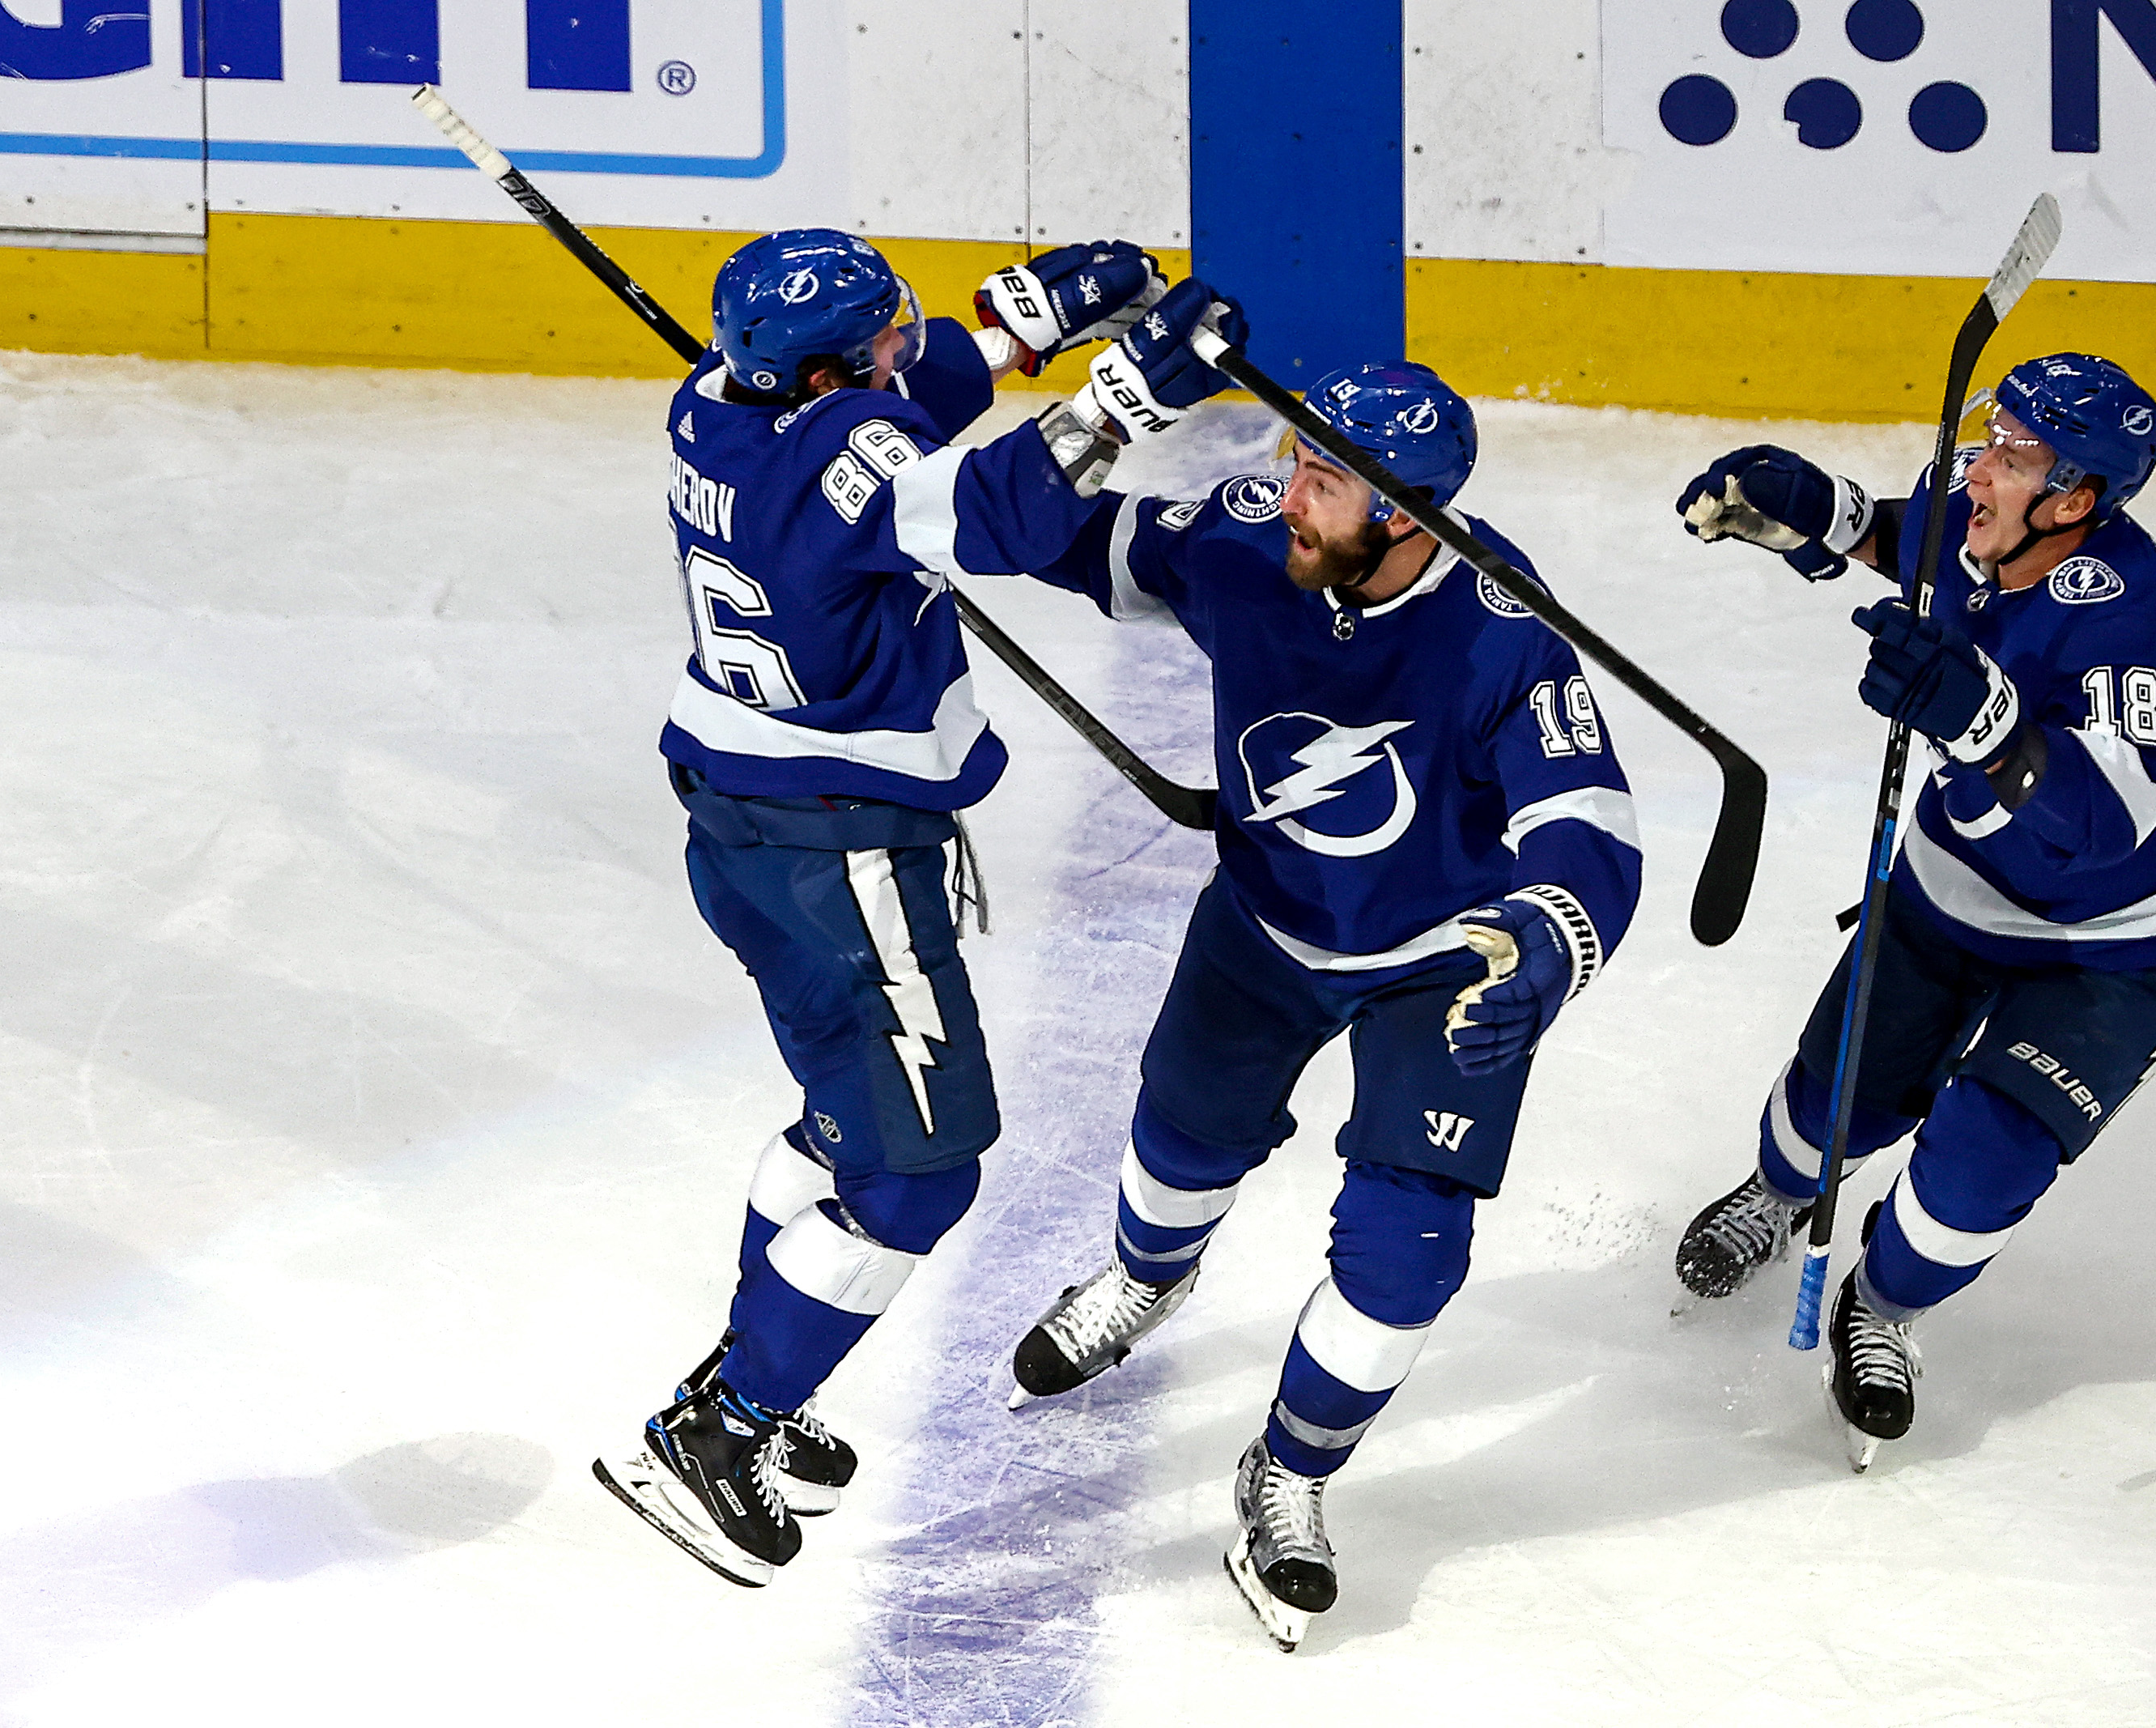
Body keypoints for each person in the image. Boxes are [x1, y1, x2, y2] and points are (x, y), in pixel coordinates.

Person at [593, 226, 1248, 1585]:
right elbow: (1003, 512)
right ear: (829, 375)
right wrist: (1125, 389)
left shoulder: (712, 405)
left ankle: (757, 1360)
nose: (907, 345)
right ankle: (720, 1431)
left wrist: (1026, 321)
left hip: (742, 820)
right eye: (886, 336)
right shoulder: (852, 461)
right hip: (843, 856)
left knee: (845, 1124)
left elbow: (886, 419)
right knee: (918, 1164)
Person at [997, 362, 1644, 1649]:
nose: (1291, 493)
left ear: (1408, 515)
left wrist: (1545, 942)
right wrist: (1058, 425)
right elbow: (1044, 534)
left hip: (1445, 957)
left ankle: (1288, 1470)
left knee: (1411, 1256)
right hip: (1264, 922)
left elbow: (1588, 822)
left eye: (1326, 481)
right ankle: (1145, 1277)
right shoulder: (1250, 535)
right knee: (1178, 1137)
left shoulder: (1503, 626)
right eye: (1297, 462)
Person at [1668, 354, 2156, 1469]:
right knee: (1827, 1103)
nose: (1977, 471)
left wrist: (1982, 723)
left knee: (1984, 1164)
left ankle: (1880, 1307)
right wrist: (1813, 514)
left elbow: (2105, 828)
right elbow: (1915, 538)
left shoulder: (2139, 617)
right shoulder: (1998, 523)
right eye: (1986, 441)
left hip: (2123, 936)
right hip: (1956, 889)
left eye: (2010, 457)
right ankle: (1780, 1191)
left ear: (2074, 501)